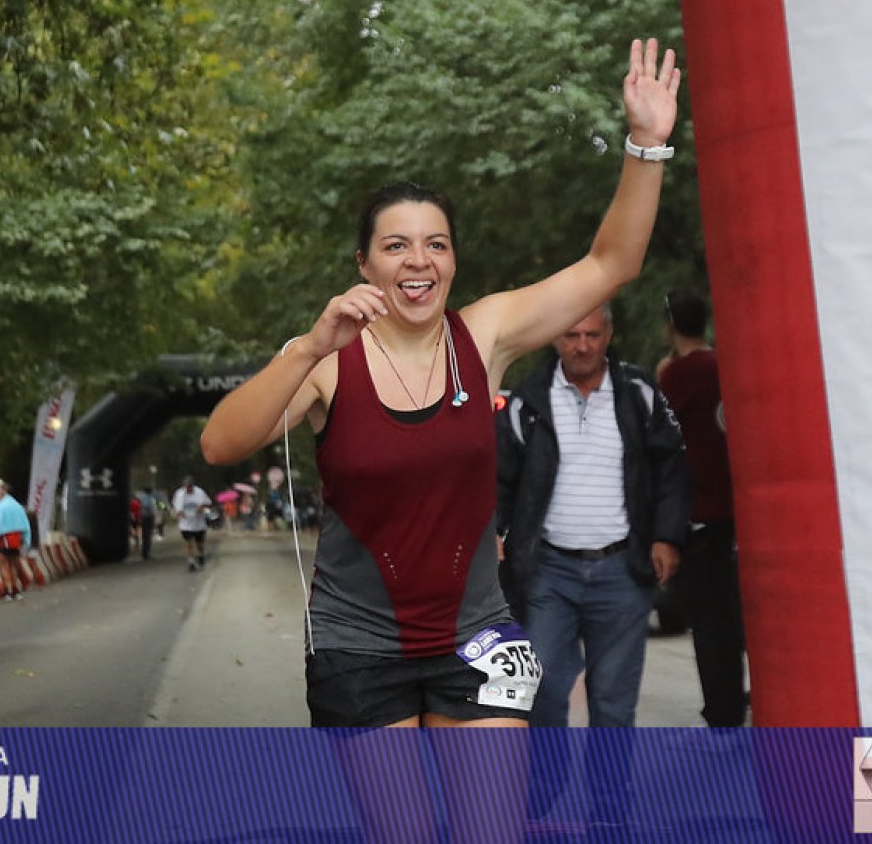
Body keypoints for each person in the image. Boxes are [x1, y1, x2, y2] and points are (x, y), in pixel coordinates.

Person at [201, 37, 682, 731]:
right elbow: (220, 444)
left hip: (479, 636)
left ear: (453, 259)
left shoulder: (484, 334)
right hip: (357, 646)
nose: (418, 261)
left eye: (436, 244)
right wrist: (306, 348)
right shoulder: (328, 357)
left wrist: (646, 143)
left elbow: (612, 264)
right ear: (364, 263)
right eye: (395, 245)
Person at [496, 304, 690, 729]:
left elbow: (671, 468)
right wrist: (494, 529)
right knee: (541, 684)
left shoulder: (638, 393)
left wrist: (667, 537)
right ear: (554, 337)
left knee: (613, 701)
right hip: (549, 572)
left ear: (608, 335)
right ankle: (548, 771)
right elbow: (501, 477)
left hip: (623, 570)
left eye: (592, 335)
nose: (582, 346)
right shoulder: (527, 401)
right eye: (572, 336)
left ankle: (607, 778)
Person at [657, 288, 747, 728]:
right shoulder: (726, 366)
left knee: (709, 625)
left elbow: (659, 438)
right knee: (734, 616)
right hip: (738, 511)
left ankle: (721, 712)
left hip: (699, 514)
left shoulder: (676, 376)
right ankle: (738, 699)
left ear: (670, 326)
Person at [0, 478, 31, 599]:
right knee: (14, 565)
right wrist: (26, 539)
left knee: (3, 565)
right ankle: (16, 590)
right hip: (16, 540)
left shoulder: (1, 507)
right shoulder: (17, 505)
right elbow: (25, 524)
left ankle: (8, 591)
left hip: (4, 540)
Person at [172, 477, 211, 571]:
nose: (188, 489)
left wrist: (201, 507)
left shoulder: (200, 492)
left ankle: (201, 554)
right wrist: (179, 513)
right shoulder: (179, 494)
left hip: (198, 523)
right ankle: (191, 562)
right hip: (185, 524)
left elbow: (208, 503)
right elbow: (176, 508)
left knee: (199, 544)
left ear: (193, 486)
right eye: (186, 487)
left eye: (190, 487)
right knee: (189, 543)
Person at [133, 487, 158, 561]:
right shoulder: (148, 498)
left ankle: (145, 553)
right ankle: (146, 554)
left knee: (146, 536)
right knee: (147, 536)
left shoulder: (142, 497)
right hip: (147, 518)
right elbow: (148, 505)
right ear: (150, 491)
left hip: (144, 517)